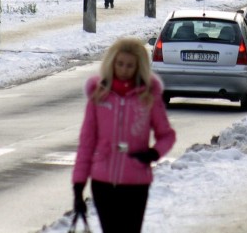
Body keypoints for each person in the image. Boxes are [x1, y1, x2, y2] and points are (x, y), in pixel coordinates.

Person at [72, 37, 176, 233]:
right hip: (103, 183)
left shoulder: (148, 97)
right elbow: (86, 144)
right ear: (112, 63)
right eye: (120, 64)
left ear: (138, 67)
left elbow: (167, 135)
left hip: (136, 182)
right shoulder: (99, 96)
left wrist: (153, 154)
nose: (124, 69)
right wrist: (78, 187)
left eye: (130, 65)